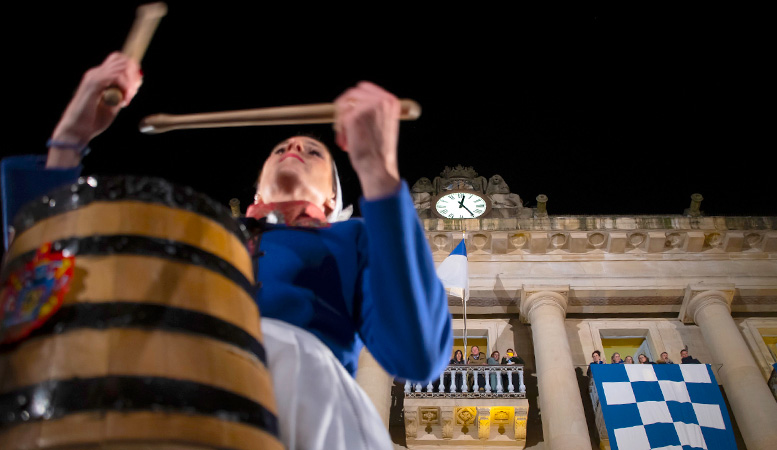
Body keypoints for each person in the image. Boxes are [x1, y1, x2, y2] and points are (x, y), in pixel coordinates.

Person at [1, 52, 452, 450]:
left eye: (314, 151)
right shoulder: (193, 234)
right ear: (257, 188)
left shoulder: (352, 236)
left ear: (332, 199)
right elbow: (39, 292)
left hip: (302, 401)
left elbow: (416, 355)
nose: (294, 145)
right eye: (282, 147)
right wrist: (69, 138)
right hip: (181, 385)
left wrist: (379, 175)